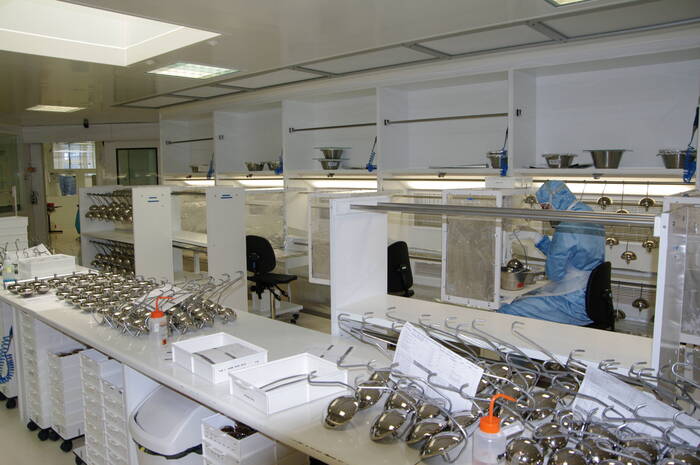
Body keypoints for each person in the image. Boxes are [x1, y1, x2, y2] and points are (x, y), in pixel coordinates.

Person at [498, 180, 605, 325]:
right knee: (527, 298)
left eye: (545, 207)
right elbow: (568, 254)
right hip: (590, 297)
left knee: (507, 310)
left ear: (555, 200)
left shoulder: (567, 226)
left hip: (572, 302)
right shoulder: (586, 212)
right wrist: (537, 238)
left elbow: (554, 274)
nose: (546, 213)